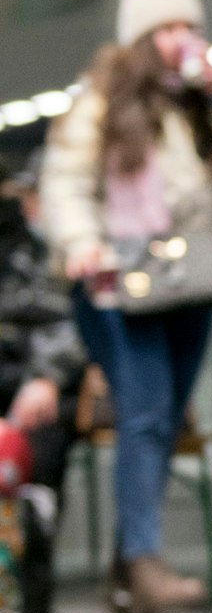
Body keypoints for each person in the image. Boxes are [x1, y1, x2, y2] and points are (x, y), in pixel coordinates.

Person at [39, 0, 212, 613]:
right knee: (144, 418)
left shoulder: (205, 105)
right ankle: (144, 566)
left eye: (190, 25)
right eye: (168, 26)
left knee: (165, 420)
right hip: (118, 285)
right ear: (142, 37)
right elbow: (64, 184)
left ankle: (127, 569)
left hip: (193, 281)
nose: (181, 37)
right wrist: (81, 241)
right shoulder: (100, 104)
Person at [0, 154, 86, 503]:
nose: (31, 205)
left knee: (43, 431)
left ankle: (31, 541)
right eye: (28, 196)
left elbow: (82, 325)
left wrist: (47, 378)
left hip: (46, 384)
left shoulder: (70, 253)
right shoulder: (17, 247)